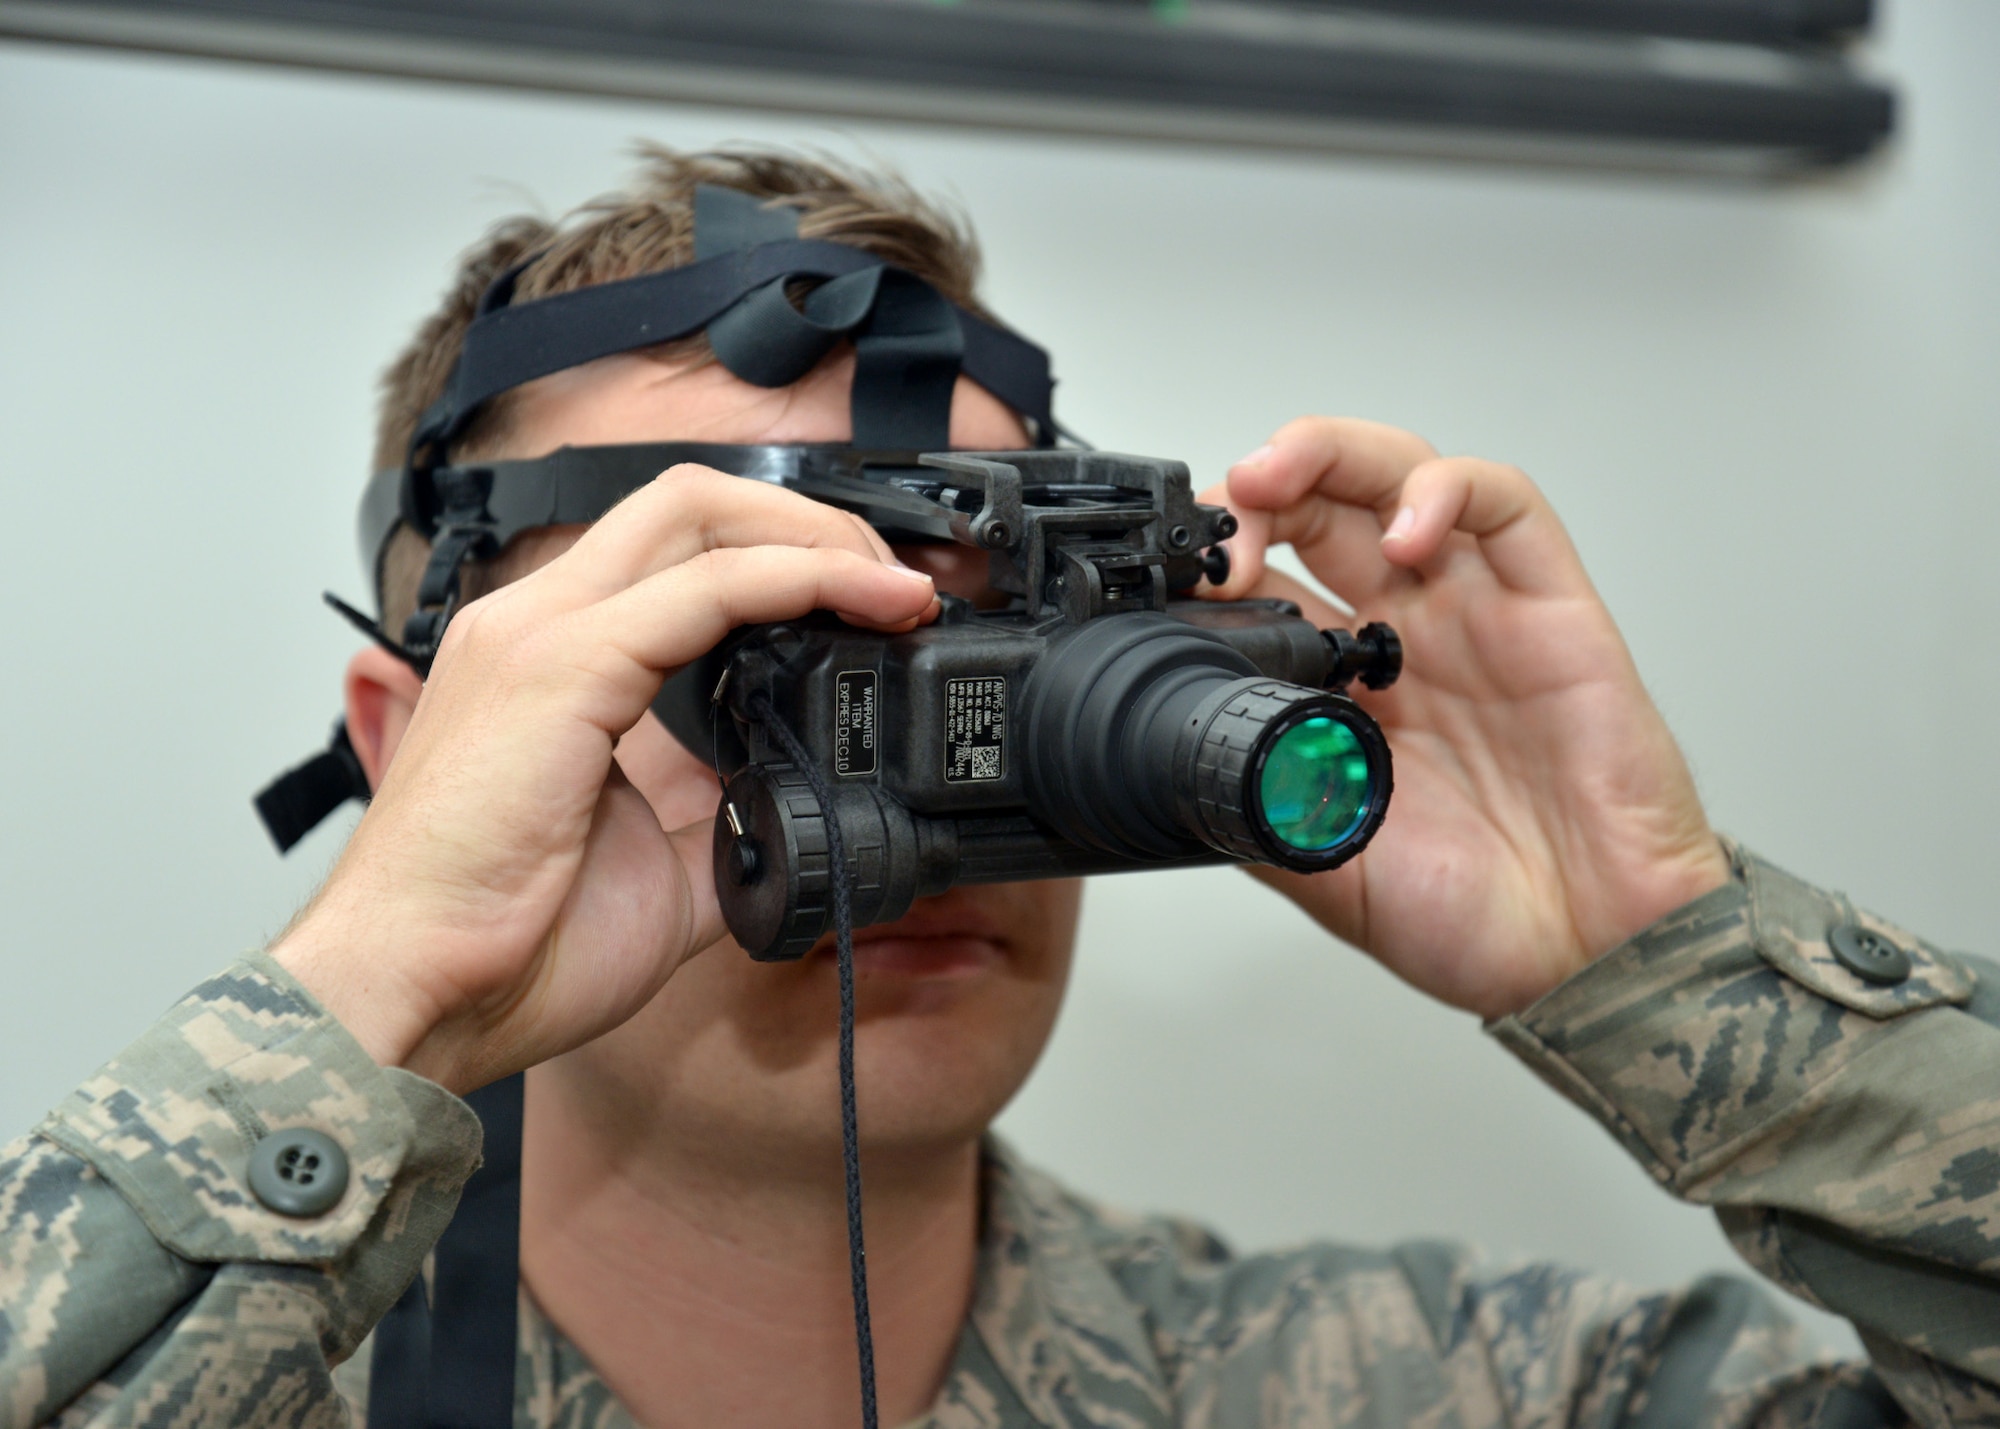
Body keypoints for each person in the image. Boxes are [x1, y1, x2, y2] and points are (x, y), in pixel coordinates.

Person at [2, 146, 1994, 1429]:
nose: (922, 752)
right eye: (751, 636)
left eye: (994, 638)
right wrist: (368, 996)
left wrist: (1663, 952)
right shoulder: (213, 1373)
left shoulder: (1413, 1390)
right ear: (406, 745)